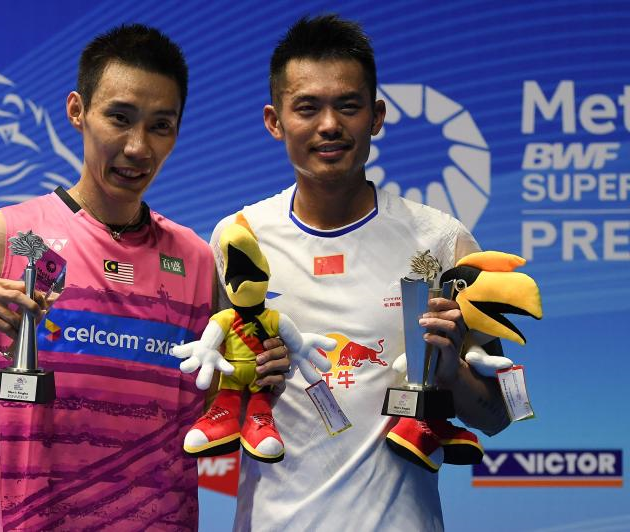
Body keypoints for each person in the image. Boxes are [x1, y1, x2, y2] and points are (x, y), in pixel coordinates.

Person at [0, 24, 287, 530]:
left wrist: (264, 371)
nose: (138, 147)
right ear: (77, 111)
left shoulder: (198, 261)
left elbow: (227, 405)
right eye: (119, 118)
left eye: (160, 125)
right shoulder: (5, 238)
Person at [210, 15, 511, 531]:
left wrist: (451, 374)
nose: (329, 124)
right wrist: (245, 377)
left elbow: (498, 414)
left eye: (348, 106)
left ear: (376, 116)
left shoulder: (442, 240)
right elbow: (210, 398)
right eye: (307, 107)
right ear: (275, 121)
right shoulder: (238, 238)